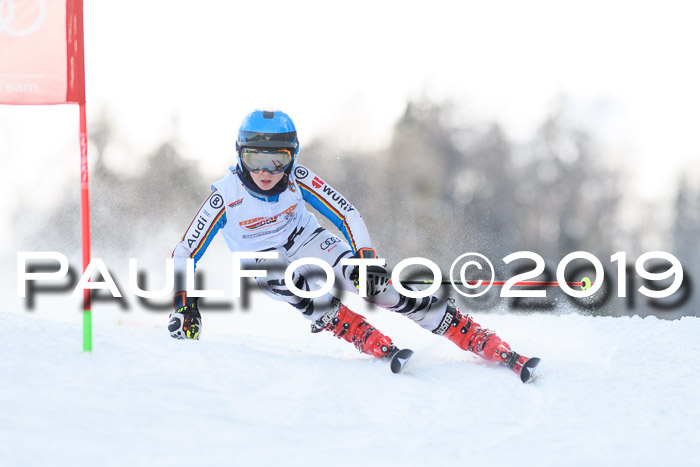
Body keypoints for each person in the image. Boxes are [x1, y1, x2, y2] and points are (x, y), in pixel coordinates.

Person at [168, 108, 540, 382]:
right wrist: (185, 304)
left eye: (276, 160)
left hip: (309, 241)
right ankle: (343, 323)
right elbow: (186, 251)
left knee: (381, 290)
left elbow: (347, 213)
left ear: (292, 157)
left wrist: (365, 257)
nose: (265, 172)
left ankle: (468, 331)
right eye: (255, 159)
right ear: (240, 156)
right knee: (299, 287)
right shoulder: (225, 195)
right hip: (261, 261)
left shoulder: (298, 178)